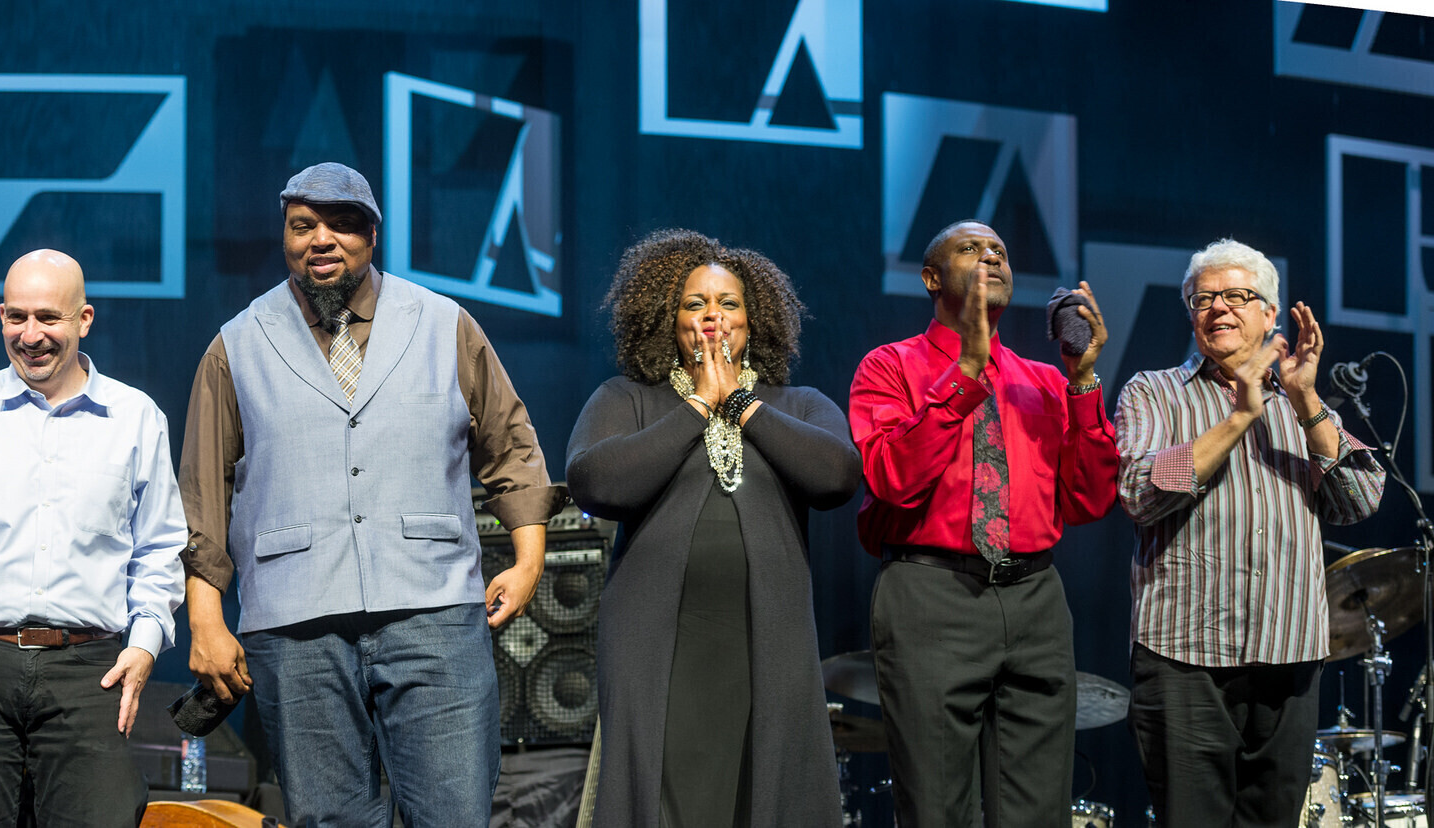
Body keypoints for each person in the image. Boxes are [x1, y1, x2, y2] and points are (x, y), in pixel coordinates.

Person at [178, 162, 563, 827]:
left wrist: (529, 560)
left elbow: (510, 444)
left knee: (453, 816)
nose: (321, 240)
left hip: (433, 607)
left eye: (342, 224)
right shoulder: (237, 345)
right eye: (303, 226)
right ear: (285, 236)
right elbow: (203, 490)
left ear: (373, 235)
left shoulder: (443, 323)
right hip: (296, 619)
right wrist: (206, 620)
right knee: (329, 819)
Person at [566, 228, 861, 827]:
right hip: (656, 637)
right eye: (694, 303)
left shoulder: (798, 404)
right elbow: (594, 481)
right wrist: (699, 405)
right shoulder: (627, 398)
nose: (712, 316)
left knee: (763, 788)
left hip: (767, 635)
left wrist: (741, 405)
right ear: (667, 319)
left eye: (728, 303)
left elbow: (838, 476)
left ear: (754, 321)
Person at [0, 249, 187, 825]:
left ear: (84, 319)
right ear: (1, 316)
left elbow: (160, 548)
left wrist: (144, 645)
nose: (30, 335)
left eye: (48, 317)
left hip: (91, 668)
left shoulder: (135, 417)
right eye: (17, 317)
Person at [847, 219, 1118, 826]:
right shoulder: (889, 366)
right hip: (931, 594)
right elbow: (893, 476)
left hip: (1035, 599)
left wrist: (1082, 383)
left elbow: (1090, 500)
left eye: (999, 250)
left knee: (1039, 814)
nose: (991, 257)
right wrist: (967, 370)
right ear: (931, 278)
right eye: (970, 249)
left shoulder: (1044, 382)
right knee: (938, 809)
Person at [1115, 239, 1385, 826]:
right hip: (1184, 657)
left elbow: (1360, 499)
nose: (1218, 307)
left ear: (1270, 315)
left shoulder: (1301, 404)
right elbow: (1138, 492)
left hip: (1290, 654)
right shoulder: (1153, 391)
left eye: (1237, 296)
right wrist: (1241, 414)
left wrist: (1306, 397)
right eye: (1203, 299)